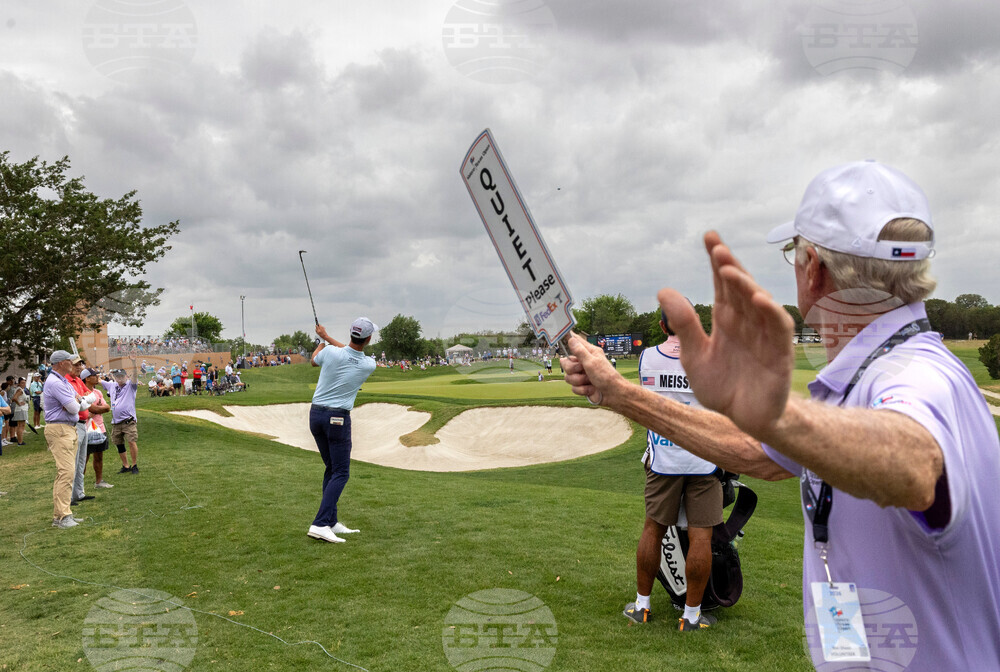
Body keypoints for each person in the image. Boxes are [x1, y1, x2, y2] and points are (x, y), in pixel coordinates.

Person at [561, 161, 1000, 669]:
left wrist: (776, 416)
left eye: (794, 252)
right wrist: (623, 395)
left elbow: (916, 464)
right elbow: (761, 454)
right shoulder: (881, 369)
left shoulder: (912, 378)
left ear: (813, 267)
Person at [622, 307, 721, 630]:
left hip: (663, 458)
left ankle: (642, 607)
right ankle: (691, 616)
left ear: (663, 325)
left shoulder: (647, 357)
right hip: (703, 459)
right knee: (701, 537)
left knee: (653, 529)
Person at [306, 318, 377, 544]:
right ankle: (319, 523)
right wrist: (326, 338)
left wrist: (322, 341)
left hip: (315, 415)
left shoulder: (330, 353)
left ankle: (331, 522)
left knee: (332, 469)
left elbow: (313, 361)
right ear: (368, 338)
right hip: (337, 419)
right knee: (341, 472)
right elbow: (348, 353)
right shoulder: (368, 364)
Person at [42, 350, 96, 528]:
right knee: (66, 472)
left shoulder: (62, 380)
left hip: (67, 428)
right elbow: (75, 407)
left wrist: (79, 402)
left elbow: (78, 402)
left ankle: (62, 514)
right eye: (69, 361)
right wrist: (79, 403)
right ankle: (63, 516)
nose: (73, 364)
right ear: (60, 363)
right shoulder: (56, 382)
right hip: (60, 429)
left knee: (67, 472)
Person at [67, 356, 97, 506]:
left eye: (80, 365)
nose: (78, 367)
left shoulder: (78, 380)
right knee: (73, 461)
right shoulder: (66, 381)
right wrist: (85, 400)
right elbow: (78, 404)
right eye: (75, 365)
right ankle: (70, 496)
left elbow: (93, 396)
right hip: (74, 424)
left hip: (83, 423)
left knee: (81, 461)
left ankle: (79, 493)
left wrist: (85, 399)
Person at [101, 362, 140, 474]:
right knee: (119, 443)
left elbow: (135, 375)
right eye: (117, 376)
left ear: (126, 376)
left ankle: (134, 465)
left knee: (131, 441)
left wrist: (133, 362)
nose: (120, 378)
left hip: (128, 420)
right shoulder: (112, 385)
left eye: (122, 376)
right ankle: (126, 466)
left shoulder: (131, 386)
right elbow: (98, 381)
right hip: (116, 422)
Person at [80, 369, 113, 487]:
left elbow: (107, 407)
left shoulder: (98, 392)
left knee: (99, 456)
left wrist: (97, 409)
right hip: (85, 428)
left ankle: (99, 481)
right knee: (83, 458)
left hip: (100, 428)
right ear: (87, 378)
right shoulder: (82, 393)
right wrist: (98, 408)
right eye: (94, 375)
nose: (97, 377)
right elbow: (91, 409)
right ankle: (79, 485)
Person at [9, 378, 30, 446]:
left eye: (24, 383)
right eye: (22, 383)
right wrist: (19, 403)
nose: (23, 384)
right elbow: (14, 398)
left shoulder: (21, 389)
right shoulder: (19, 390)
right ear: (19, 383)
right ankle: (20, 442)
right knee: (21, 426)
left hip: (21, 409)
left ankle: (20, 441)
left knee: (20, 425)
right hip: (21, 409)